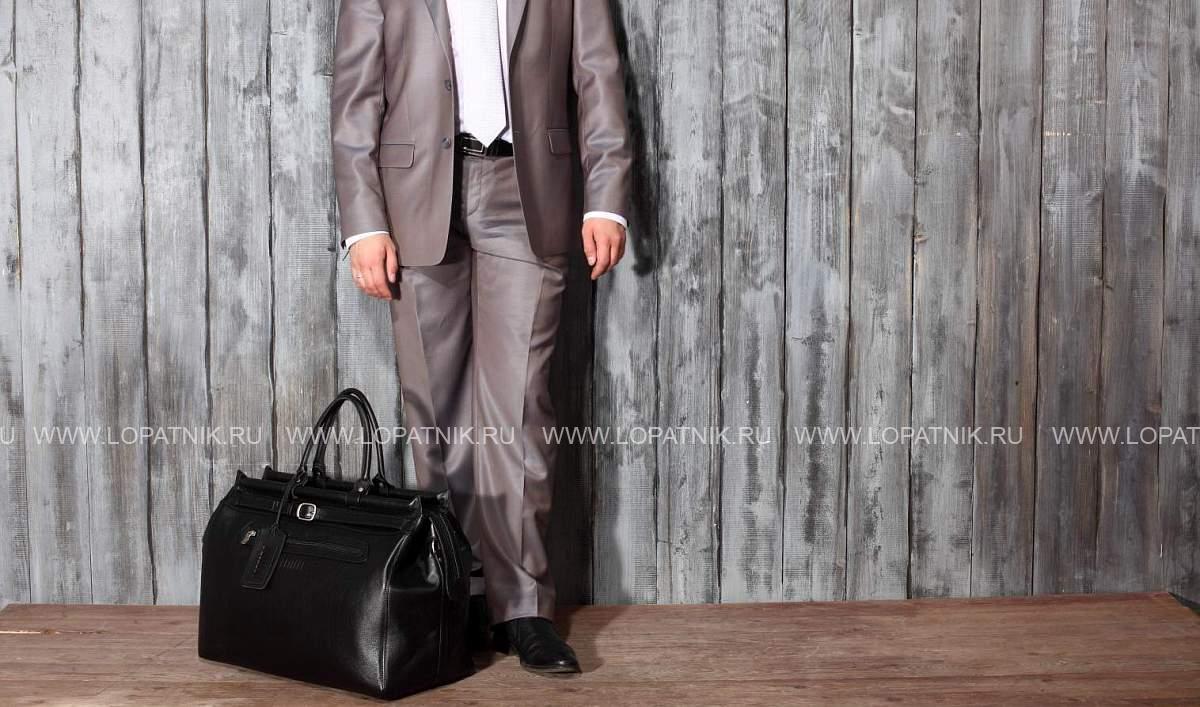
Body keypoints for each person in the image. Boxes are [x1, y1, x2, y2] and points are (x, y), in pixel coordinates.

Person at [331, 0, 632, 676]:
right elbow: (355, 91)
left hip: (527, 189)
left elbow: (597, 71)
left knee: (520, 406)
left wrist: (607, 198)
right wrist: (363, 222)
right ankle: (455, 592)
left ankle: (521, 607)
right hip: (414, 194)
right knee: (435, 407)